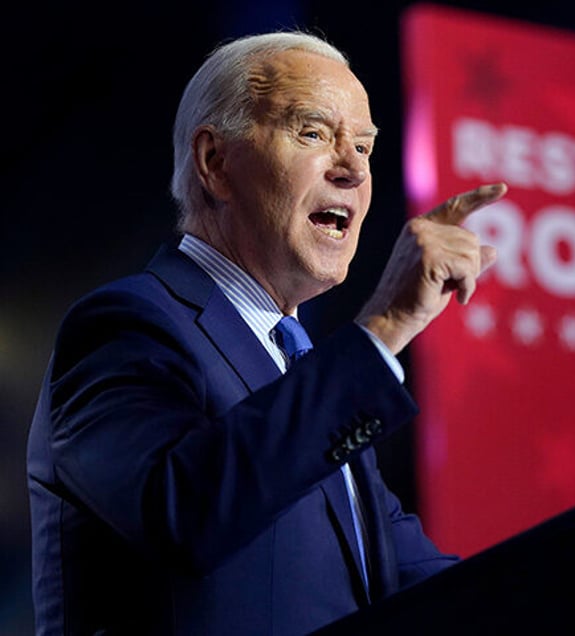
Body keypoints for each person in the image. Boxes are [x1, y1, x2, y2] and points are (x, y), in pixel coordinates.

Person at [26, 30, 507, 636]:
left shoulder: (307, 381)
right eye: (313, 132)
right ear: (215, 163)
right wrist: (384, 326)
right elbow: (182, 511)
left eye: (364, 146)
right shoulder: (126, 327)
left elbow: (449, 595)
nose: (354, 170)